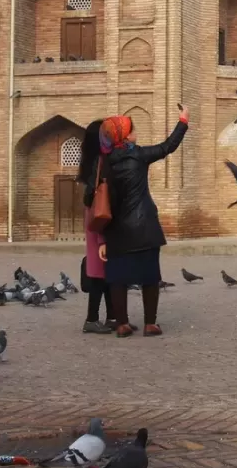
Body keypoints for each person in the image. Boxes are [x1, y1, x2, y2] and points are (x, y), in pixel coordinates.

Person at [101, 105, 189, 338]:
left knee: (118, 279)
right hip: (144, 226)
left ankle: (122, 324)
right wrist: (183, 121)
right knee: (150, 276)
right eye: (132, 129)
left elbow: (93, 197)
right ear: (125, 135)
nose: (135, 132)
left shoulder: (104, 162)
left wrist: (101, 236)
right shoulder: (138, 155)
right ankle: (150, 324)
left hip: (116, 229)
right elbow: (168, 147)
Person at [79, 119, 114, 334]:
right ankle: (91, 319)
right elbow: (95, 198)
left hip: (97, 219)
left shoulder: (93, 160)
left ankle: (111, 317)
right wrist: (102, 238)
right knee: (99, 274)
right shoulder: (99, 163)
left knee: (107, 273)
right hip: (99, 220)